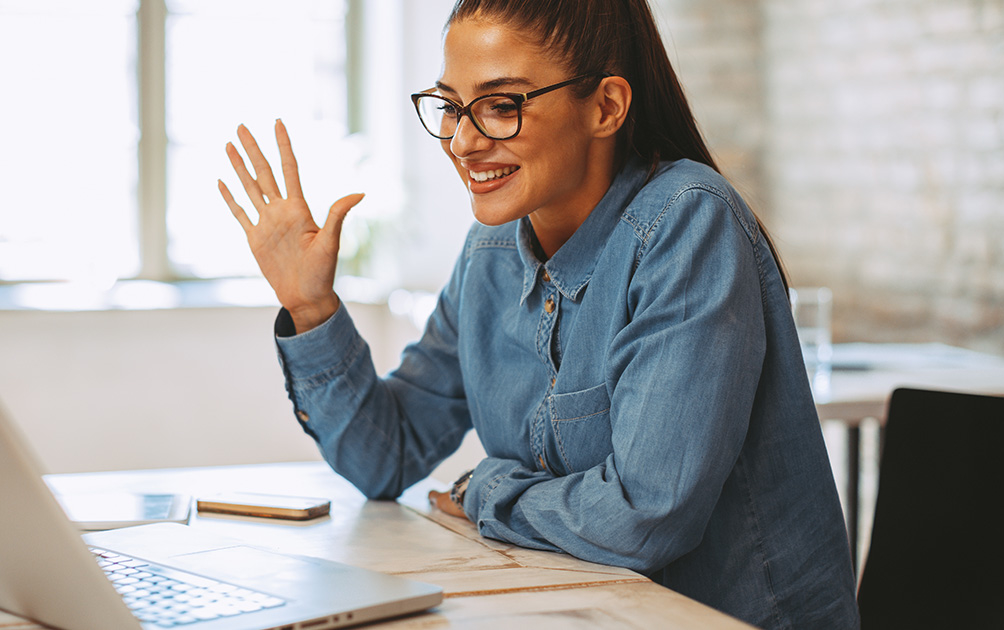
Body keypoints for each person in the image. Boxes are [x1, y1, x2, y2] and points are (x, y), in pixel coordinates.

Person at [216, 0, 859, 627]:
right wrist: (311, 307)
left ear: (605, 106)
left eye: (501, 106)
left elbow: (645, 516)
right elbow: (387, 457)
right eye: (450, 106)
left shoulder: (687, 222)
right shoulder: (490, 253)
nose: (463, 142)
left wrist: (486, 491)